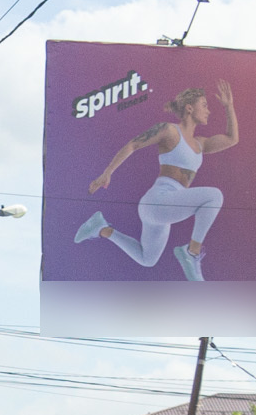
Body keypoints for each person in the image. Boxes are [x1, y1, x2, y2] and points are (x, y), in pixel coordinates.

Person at [76, 81, 237, 280]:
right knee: (214, 196)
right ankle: (192, 252)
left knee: (147, 258)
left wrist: (229, 107)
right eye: (204, 105)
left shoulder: (200, 143)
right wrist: (107, 172)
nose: (208, 111)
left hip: (165, 208)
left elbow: (231, 139)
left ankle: (102, 228)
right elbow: (133, 145)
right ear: (189, 108)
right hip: (157, 201)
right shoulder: (169, 130)